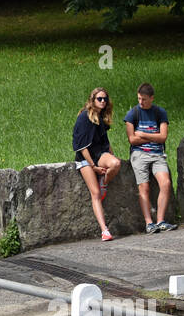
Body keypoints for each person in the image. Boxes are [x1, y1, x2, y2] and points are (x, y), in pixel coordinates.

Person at [125, 83, 176, 234]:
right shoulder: (133, 114)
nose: (141, 102)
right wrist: (153, 137)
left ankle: (160, 220)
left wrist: (143, 134)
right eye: (139, 98)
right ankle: (149, 222)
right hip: (139, 154)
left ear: (152, 98)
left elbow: (163, 137)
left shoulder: (160, 112)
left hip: (157, 154)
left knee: (165, 183)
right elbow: (132, 140)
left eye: (144, 99)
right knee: (144, 187)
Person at [72, 87, 121, 241]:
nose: (103, 101)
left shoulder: (101, 117)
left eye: (105, 99)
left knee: (115, 163)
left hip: (99, 154)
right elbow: (81, 147)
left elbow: (105, 142)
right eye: (99, 99)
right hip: (85, 158)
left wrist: (110, 156)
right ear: (92, 101)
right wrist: (93, 167)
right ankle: (104, 230)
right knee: (95, 194)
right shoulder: (84, 118)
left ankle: (104, 183)